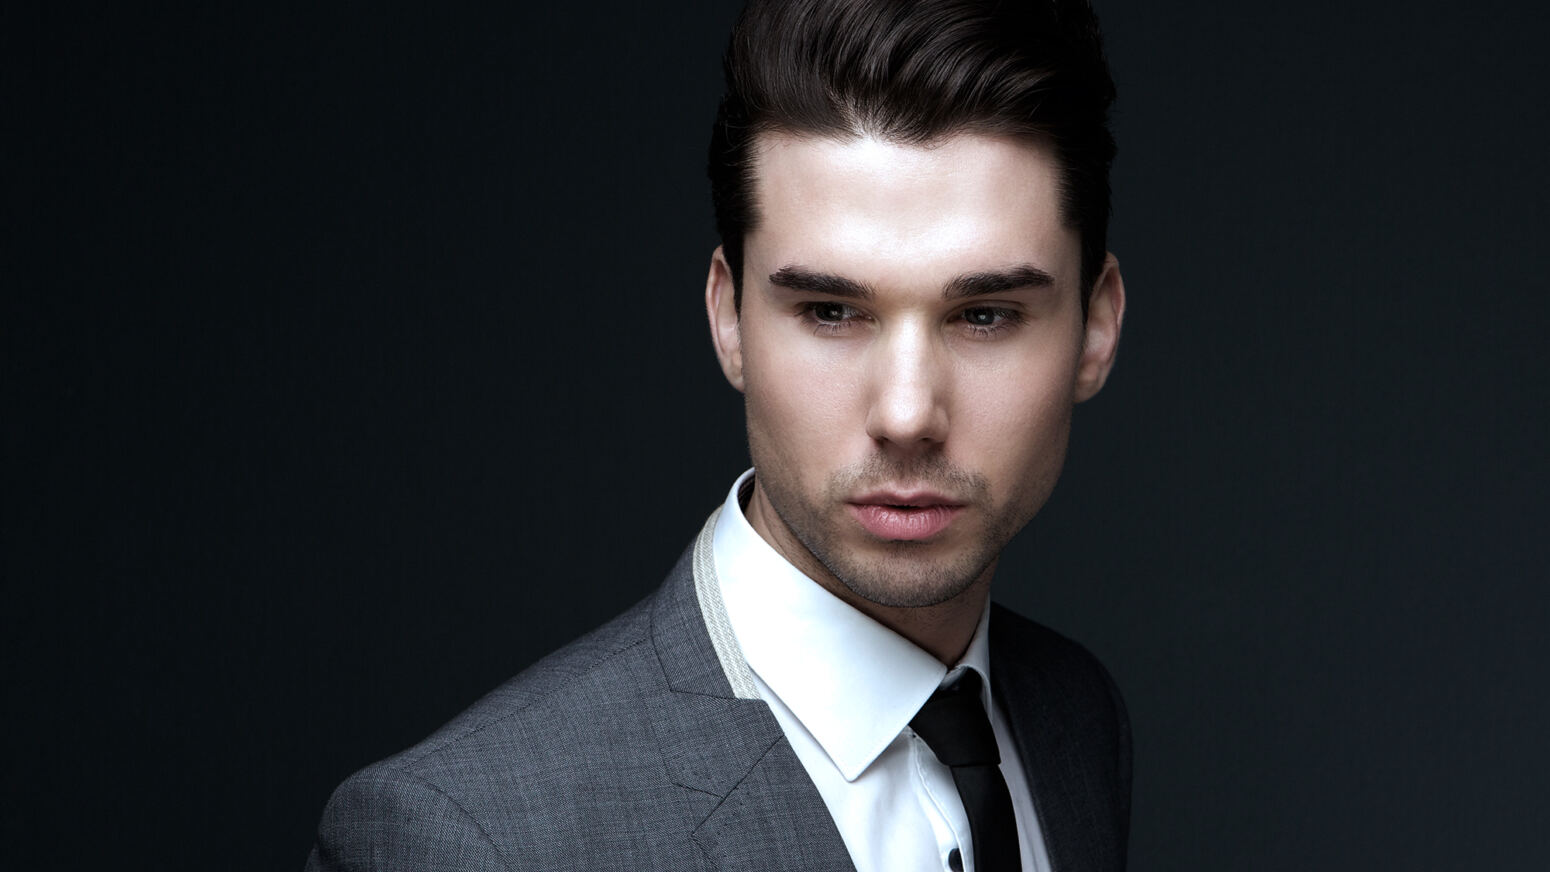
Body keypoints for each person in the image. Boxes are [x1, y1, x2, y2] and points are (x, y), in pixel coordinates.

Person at [306, 0, 1129, 869]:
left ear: (1097, 327)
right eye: (830, 311)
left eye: (986, 314)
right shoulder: (464, 842)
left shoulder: (1071, 716)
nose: (906, 415)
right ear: (729, 319)